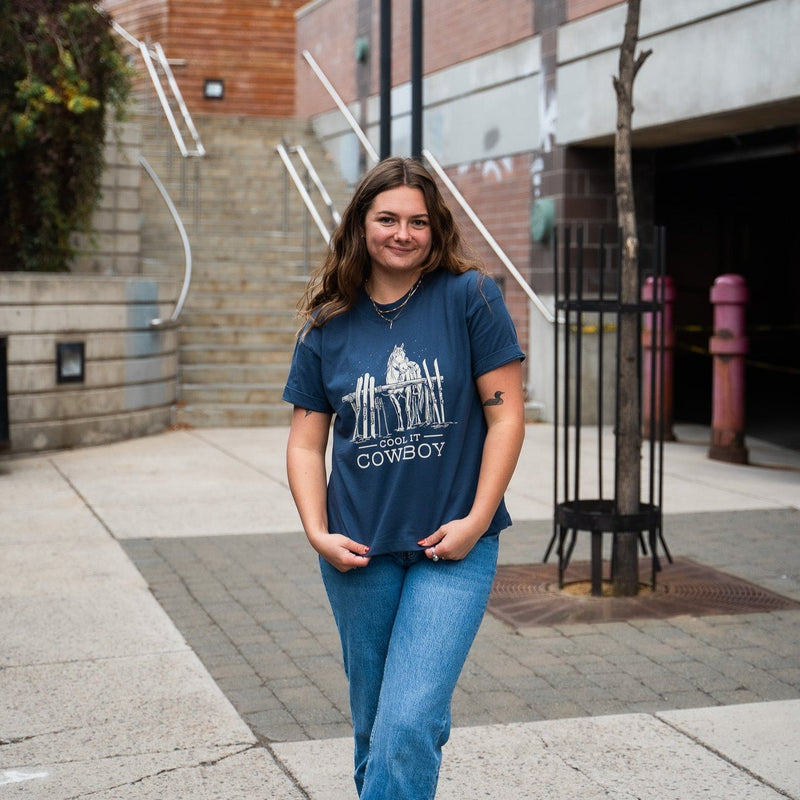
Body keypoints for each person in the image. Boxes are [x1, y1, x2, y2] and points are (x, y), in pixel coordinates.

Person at [283, 156, 525, 800]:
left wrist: (476, 521)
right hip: (358, 550)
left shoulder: (470, 297)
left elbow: (506, 419)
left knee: (410, 721)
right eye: (387, 218)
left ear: (435, 227)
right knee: (375, 726)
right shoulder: (328, 323)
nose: (402, 233)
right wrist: (316, 532)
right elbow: (307, 444)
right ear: (361, 225)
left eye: (418, 221)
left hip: (454, 545)